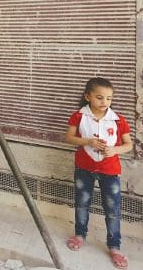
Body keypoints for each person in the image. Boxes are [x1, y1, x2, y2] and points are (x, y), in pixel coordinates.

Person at [64, 77, 132, 270]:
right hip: (84, 169)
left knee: (112, 209)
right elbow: (69, 138)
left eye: (109, 98)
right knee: (82, 203)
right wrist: (88, 141)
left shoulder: (118, 120)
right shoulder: (79, 116)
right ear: (88, 96)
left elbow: (128, 144)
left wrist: (115, 150)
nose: (105, 102)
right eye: (100, 97)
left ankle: (114, 246)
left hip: (110, 171)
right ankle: (80, 235)